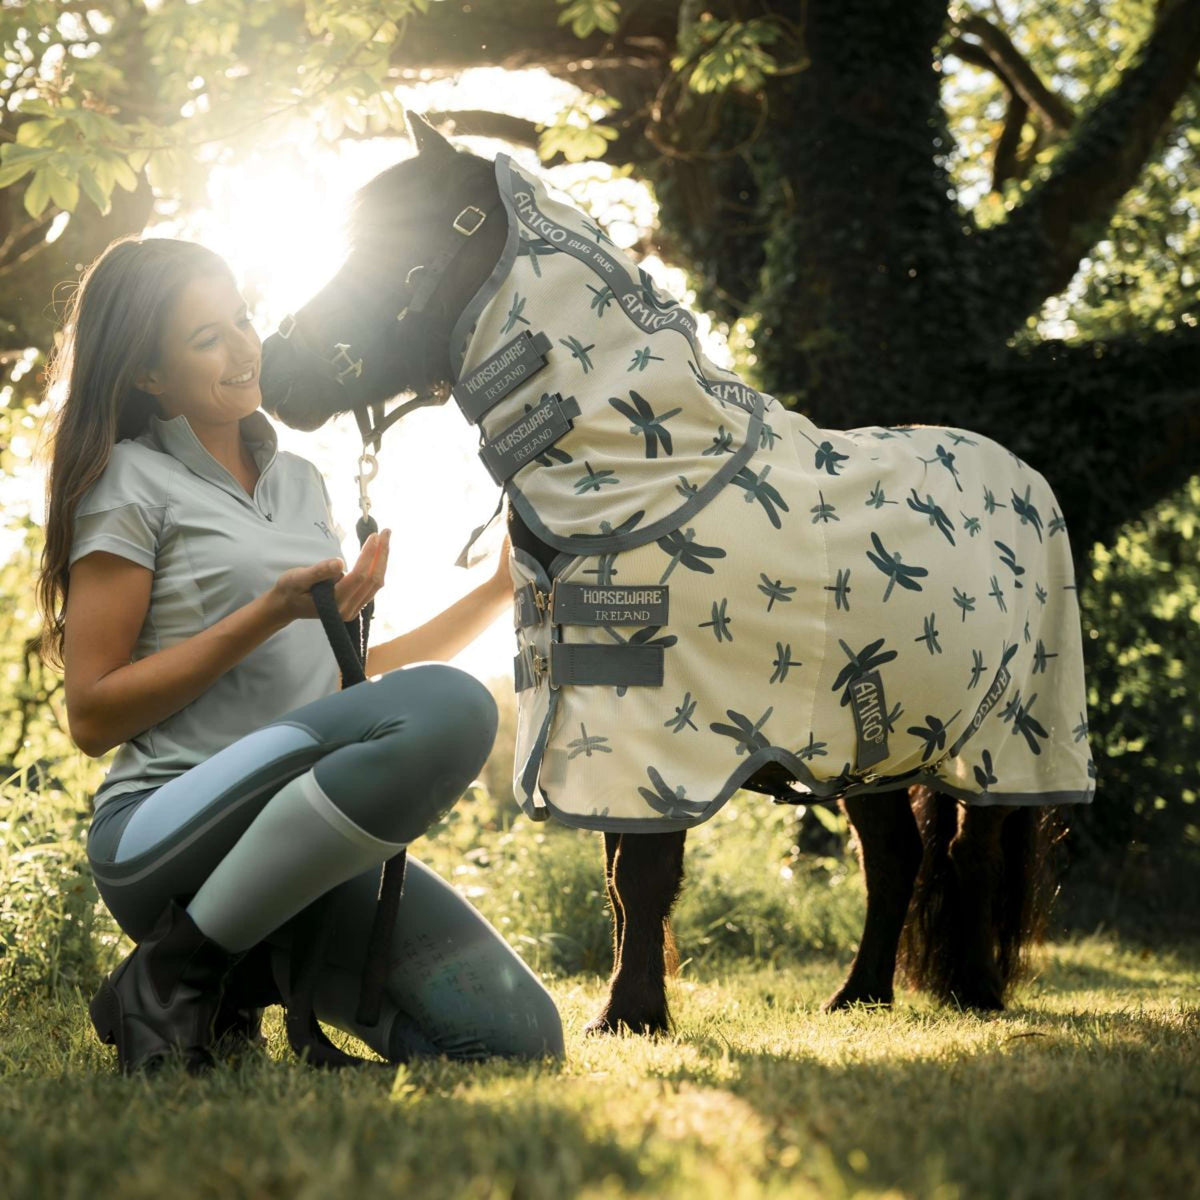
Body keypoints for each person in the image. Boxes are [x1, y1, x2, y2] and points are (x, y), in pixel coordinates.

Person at [33, 236, 563, 1073]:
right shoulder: (128, 481)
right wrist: (267, 612)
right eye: (206, 338)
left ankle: (234, 981)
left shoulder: (301, 483)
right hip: (167, 832)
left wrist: (499, 588)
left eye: (242, 320)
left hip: (297, 840)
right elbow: (93, 713)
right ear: (148, 376)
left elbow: (348, 683)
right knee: (458, 706)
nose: (245, 349)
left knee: (518, 1042)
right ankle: (177, 969)